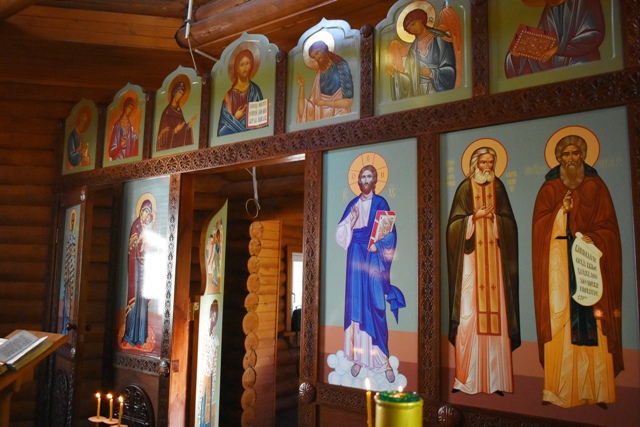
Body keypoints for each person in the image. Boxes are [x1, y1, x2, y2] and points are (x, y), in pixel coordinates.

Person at [532, 134, 622, 408]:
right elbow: (539, 228)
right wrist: (562, 211)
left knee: (595, 323)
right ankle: (556, 390)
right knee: (560, 323)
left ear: (582, 156)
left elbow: (609, 228)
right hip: (558, 266)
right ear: (559, 158)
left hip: (589, 266)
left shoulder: (596, 186)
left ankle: (597, 391)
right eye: (566, 154)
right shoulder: (549, 188)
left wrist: (595, 238)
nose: (571, 159)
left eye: (575, 153)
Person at [446, 147, 520, 395]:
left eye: (491, 162)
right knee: (468, 316)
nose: (487, 167)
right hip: (470, 262)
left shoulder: (498, 188)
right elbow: (452, 227)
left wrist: (497, 221)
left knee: (498, 318)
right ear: (474, 164)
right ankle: (465, 379)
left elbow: (510, 224)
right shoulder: (464, 189)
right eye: (483, 162)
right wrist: (472, 219)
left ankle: (496, 381)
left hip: (495, 264)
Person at [335, 165, 405, 382]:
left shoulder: (381, 203)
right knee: (356, 304)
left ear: (374, 181)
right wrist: (351, 220)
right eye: (362, 177)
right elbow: (340, 235)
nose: (365, 180)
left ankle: (383, 361)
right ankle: (358, 358)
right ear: (358, 181)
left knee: (376, 304)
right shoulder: (353, 205)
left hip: (374, 257)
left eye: (369, 177)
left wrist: (378, 244)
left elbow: (390, 233)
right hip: (356, 255)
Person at [505, 0, 605, 78]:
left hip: (581, 61)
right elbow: (545, 47)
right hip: (555, 66)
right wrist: (517, 57)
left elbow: (594, 34)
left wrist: (558, 49)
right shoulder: (549, 9)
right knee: (514, 55)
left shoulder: (584, 2)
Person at [386, 5, 458, 99]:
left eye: (413, 24)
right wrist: (396, 75)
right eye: (409, 29)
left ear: (421, 20)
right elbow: (409, 76)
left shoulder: (440, 39)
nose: (412, 29)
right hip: (418, 91)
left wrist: (431, 73)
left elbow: (450, 68)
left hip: (437, 89)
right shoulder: (413, 49)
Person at [122, 196, 155, 348]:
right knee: (134, 300)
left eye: (149, 211)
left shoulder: (149, 228)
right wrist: (140, 240)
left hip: (145, 269)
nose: (147, 214)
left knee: (143, 301)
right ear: (141, 212)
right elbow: (132, 247)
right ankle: (129, 335)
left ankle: (141, 337)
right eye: (145, 211)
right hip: (135, 267)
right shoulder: (135, 226)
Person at [296, 40, 354, 123]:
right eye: (314, 57)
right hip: (320, 112)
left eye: (317, 53)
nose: (316, 58)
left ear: (325, 50)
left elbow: (348, 102)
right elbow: (308, 108)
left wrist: (325, 103)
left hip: (339, 111)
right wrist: (302, 87)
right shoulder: (319, 75)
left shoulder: (341, 65)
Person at [218, 49, 264, 136]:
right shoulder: (229, 96)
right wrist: (236, 117)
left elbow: (260, 119)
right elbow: (222, 130)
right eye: (242, 65)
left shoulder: (255, 90)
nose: (245, 67)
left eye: (247, 64)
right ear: (237, 69)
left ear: (251, 66)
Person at [156, 80, 198, 150]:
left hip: (178, 145)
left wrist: (189, 125)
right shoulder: (167, 112)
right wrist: (175, 130)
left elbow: (182, 128)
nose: (181, 95)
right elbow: (162, 136)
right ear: (174, 93)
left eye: (182, 94)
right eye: (179, 92)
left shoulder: (179, 111)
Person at [197, 299, 220, 427]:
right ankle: (201, 423)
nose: (214, 317)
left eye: (216, 314)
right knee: (203, 397)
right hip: (204, 370)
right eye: (213, 313)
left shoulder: (214, 335)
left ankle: (206, 424)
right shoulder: (206, 331)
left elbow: (214, 354)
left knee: (208, 399)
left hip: (210, 371)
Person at [61, 209, 77, 335]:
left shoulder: (74, 238)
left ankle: (67, 328)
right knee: (65, 305)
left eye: (73, 220)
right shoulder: (69, 240)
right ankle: (64, 327)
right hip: (67, 281)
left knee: (68, 306)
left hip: (70, 281)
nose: (71, 222)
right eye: (71, 220)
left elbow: (73, 260)